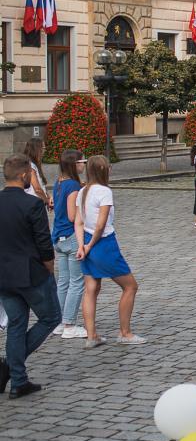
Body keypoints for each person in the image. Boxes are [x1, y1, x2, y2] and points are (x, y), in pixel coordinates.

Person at [0, 154, 61, 399]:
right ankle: (12, 369)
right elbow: (44, 244)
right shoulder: (32, 204)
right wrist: (50, 270)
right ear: (25, 175)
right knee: (51, 317)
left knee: (16, 324)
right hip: (30, 274)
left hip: (3, 275)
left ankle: (18, 379)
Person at [76, 155, 146, 348]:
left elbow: (79, 222)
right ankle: (125, 332)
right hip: (103, 243)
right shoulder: (104, 191)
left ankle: (91, 336)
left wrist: (82, 245)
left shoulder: (82, 191)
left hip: (88, 241)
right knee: (130, 286)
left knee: (91, 290)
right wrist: (89, 246)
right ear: (103, 170)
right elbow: (101, 224)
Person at [51, 150, 88, 340]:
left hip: (58, 236)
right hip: (71, 235)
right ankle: (69, 324)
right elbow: (73, 215)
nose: (85, 164)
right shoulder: (73, 185)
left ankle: (58, 322)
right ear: (75, 164)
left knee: (63, 282)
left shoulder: (59, 182)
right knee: (76, 282)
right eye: (83, 161)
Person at [21, 138, 50, 208]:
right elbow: (37, 189)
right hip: (33, 204)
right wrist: (46, 201)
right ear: (36, 149)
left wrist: (47, 196)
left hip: (35, 202)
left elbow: (40, 186)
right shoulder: (30, 165)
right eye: (43, 148)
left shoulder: (33, 164)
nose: (44, 150)